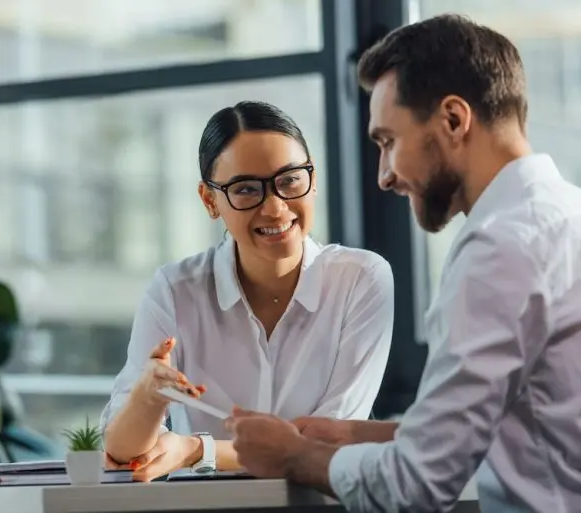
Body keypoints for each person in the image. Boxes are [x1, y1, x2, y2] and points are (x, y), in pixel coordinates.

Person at [226, 14, 581, 513]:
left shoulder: (501, 250)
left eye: (388, 142)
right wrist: (358, 434)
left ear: (454, 120)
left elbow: (414, 485)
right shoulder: (566, 216)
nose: (384, 177)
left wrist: (294, 456)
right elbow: (534, 425)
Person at [99, 101, 395, 482]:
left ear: (313, 178)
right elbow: (121, 451)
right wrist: (148, 396)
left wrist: (197, 450)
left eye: (290, 180)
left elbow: (332, 439)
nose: (274, 208)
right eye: (246, 189)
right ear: (210, 200)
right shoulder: (175, 290)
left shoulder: (361, 278)